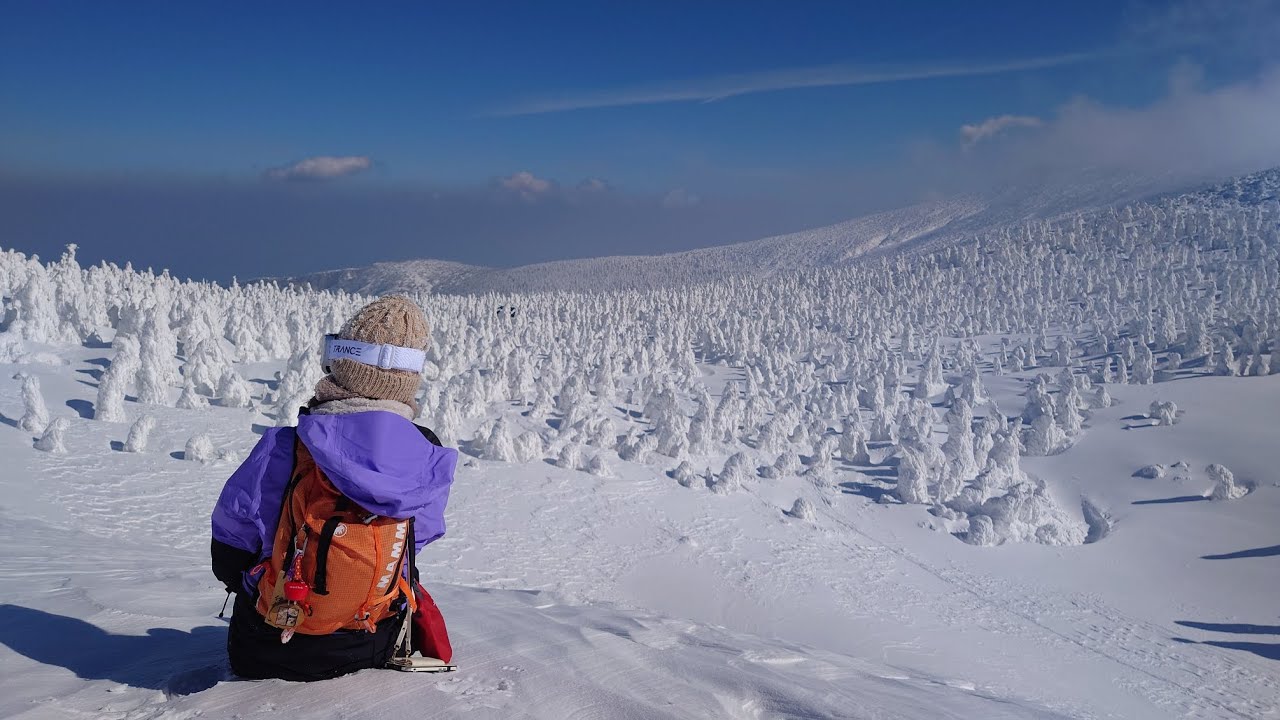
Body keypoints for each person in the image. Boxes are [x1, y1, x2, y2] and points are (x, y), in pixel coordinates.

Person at [210, 296, 457, 681]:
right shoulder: (425, 454)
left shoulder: (287, 446)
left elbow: (230, 547)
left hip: (267, 646)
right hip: (368, 647)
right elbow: (417, 541)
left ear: (340, 365)